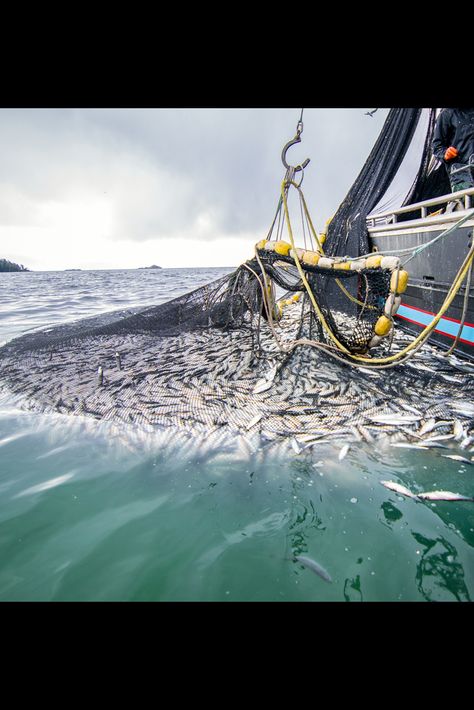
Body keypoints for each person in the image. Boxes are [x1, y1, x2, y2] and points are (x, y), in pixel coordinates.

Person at [432, 108, 474, 192]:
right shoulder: (446, 114)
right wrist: (445, 153)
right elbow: (437, 147)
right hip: (461, 174)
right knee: (467, 201)